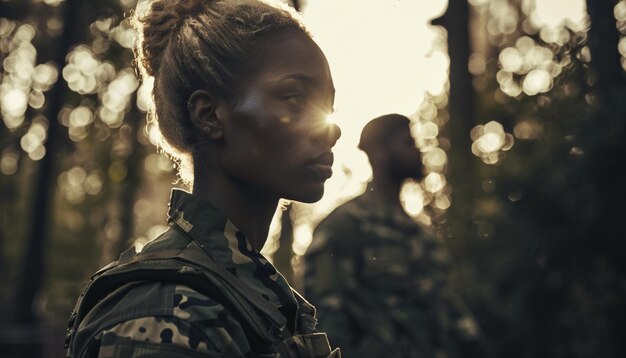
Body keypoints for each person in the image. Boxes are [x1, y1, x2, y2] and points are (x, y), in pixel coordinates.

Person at [64, 0, 341, 357]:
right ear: (209, 115)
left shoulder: (257, 296)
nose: (330, 129)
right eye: (294, 97)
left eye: (329, 107)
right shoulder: (165, 314)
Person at [304, 114, 482, 358]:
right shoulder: (346, 225)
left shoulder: (421, 235)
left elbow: (450, 312)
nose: (417, 150)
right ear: (379, 152)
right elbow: (327, 319)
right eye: (407, 143)